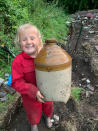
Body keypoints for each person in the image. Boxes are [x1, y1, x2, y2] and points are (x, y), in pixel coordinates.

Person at [11, 23, 53, 131]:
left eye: (32, 38)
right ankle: (34, 124)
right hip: (30, 97)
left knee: (48, 105)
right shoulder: (18, 62)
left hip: (47, 91)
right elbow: (16, 82)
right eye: (24, 39)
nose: (28, 42)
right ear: (19, 43)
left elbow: (54, 68)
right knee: (33, 112)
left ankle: (48, 117)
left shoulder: (45, 54)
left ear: (39, 40)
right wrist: (32, 91)